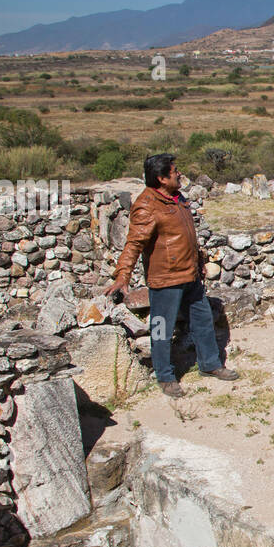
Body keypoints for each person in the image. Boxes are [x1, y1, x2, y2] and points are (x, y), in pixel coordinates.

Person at [105, 153, 238, 396]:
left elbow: (186, 236)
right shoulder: (147, 205)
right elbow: (134, 243)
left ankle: (210, 364)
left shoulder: (177, 198)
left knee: (203, 321)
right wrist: (122, 275)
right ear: (161, 178)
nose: (179, 174)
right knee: (161, 329)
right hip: (166, 279)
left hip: (190, 275)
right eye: (174, 171)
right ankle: (165, 376)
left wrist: (198, 262)